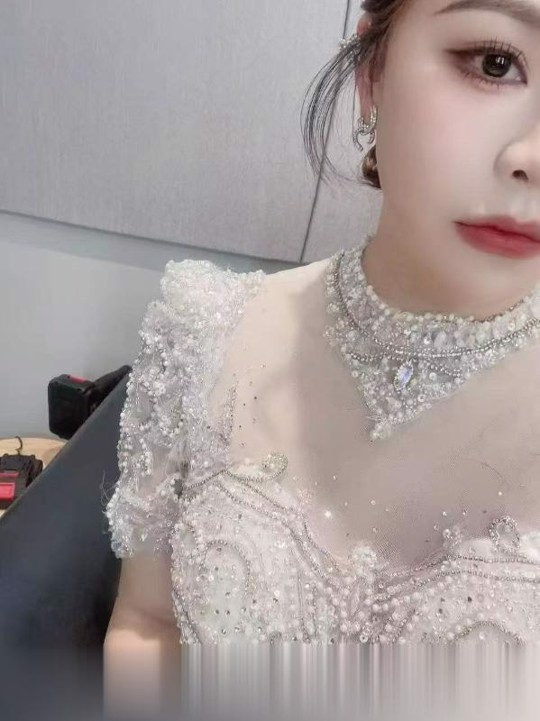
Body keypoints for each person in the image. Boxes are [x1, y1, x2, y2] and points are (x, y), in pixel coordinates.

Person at [103, 0, 540, 692]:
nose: (531, 159)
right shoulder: (203, 331)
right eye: (494, 63)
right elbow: (146, 622)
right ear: (373, 71)